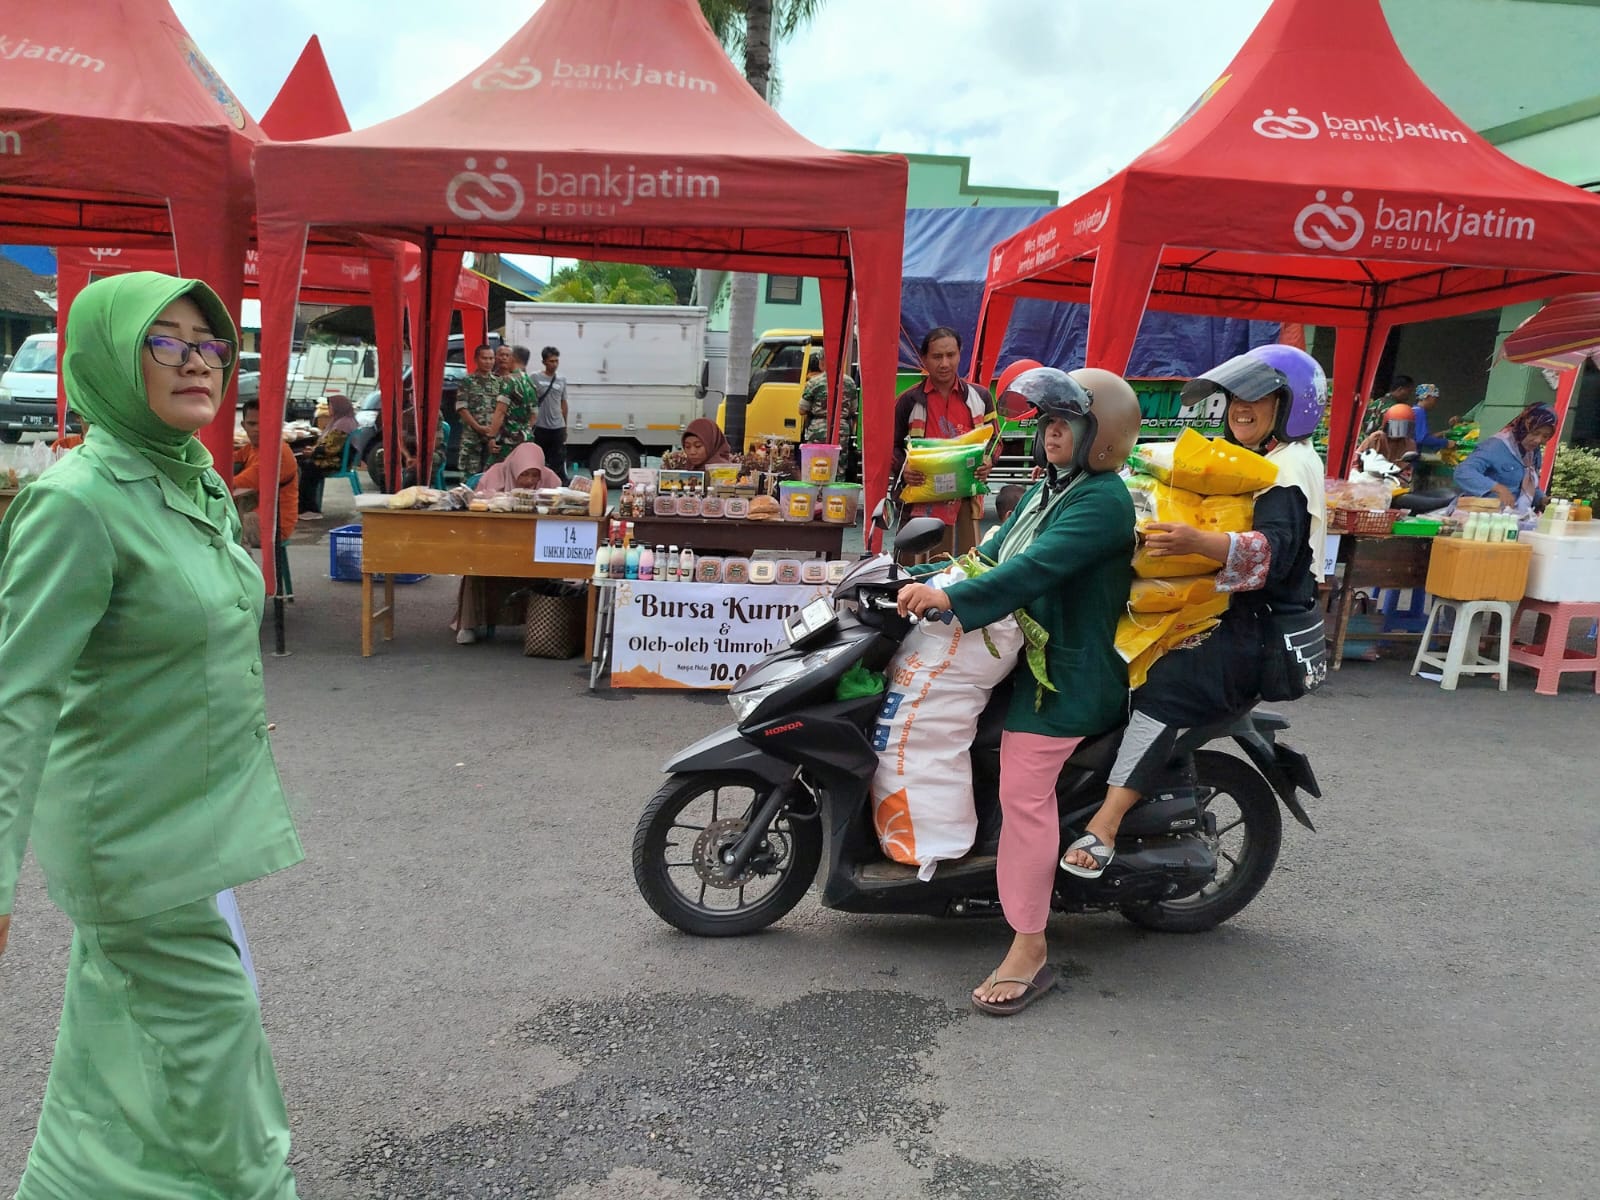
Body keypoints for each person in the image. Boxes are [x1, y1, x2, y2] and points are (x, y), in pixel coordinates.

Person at [0, 271, 303, 1196]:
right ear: (107, 357)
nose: (194, 361)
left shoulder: (189, 474)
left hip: (193, 823)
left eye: (209, 343)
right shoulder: (76, 503)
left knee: (113, 1073)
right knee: (225, 1087)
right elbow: (18, 698)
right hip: (134, 846)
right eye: (161, 340)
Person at [896, 367, 1140, 1016]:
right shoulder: (1047, 489)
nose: (1051, 431)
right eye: (1048, 421)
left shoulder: (1102, 502)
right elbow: (994, 554)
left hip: (1067, 674)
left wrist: (949, 599)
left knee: (1022, 791)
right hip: (1028, 656)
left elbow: (1032, 571)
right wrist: (915, 576)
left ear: (1102, 435)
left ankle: (1028, 947)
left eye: (1066, 421)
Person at [1064, 345, 1326, 880]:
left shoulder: (1290, 468)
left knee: (1166, 687)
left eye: (1257, 397)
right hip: (1224, 614)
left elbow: (1273, 557)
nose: (1240, 408)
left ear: (1292, 403)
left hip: (1254, 633)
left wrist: (1195, 541)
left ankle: (1106, 824)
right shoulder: (1252, 464)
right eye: (1233, 399)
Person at [891, 326, 996, 559]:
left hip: (966, 501)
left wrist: (988, 461)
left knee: (962, 566)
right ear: (924, 359)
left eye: (951, 355)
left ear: (960, 354)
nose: (945, 363)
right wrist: (903, 468)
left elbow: (994, 441)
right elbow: (891, 445)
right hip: (919, 500)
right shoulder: (908, 401)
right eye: (937, 357)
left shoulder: (981, 397)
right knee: (913, 568)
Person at [452, 441, 562, 645]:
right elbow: (477, 507)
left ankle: (548, 623)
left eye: (534, 475)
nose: (530, 481)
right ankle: (469, 624)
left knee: (552, 566)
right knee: (475, 569)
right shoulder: (495, 474)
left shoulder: (550, 479)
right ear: (514, 469)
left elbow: (562, 508)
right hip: (495, 543)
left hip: (535, 545)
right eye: (524, 474)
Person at [1453, 402, 1558, 512]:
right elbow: (1463, 472)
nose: (1538, 440)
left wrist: (1541, 499)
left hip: (1514, 517)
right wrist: (1498, 488)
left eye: (1545, 436)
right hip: (1480, 515)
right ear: (1524, 427)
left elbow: (1525, 487)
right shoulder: (1496, 446)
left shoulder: (1532, 453)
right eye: (1535, 433)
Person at [233, 397, 300, 549]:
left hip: (274, 525)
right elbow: (231, 458)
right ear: (244, 426)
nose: (257, 428)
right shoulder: (252, 448)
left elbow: (235, 483)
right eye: (252, 424)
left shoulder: (277, 452)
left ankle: (243, 572)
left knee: (221, 529)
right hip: (256, 513)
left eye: (263, 422)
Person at [298, 392, 358, 517]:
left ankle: (309, 509)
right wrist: (314, 449)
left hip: (336, 461)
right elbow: (329, 444)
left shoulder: (343, 424)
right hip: (339, 459)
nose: (329, 409)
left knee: (307, 467)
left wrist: (313, 452)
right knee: (305, 464)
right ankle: (305, 506)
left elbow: (331, 448)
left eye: (331, 406)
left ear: (338, 407)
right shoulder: (343, 421)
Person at [486, 345, 539, 467]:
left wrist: (492, 437)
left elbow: (500, 412)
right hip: (525, 439)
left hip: (507, 441)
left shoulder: (509, 381)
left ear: (513, 358)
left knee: (493, 474)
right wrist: (523, 430)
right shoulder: (531, 383)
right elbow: (534, 414)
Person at [455, 342, 501, 475]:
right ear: (476, 359)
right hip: (472, 436)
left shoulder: (499, 382)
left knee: (491, 476)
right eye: (484, 358)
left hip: (492, 437)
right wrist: (478, 427)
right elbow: (462, 408)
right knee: (470, 476)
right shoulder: (467, 382)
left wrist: (493, 430)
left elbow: (501, 409)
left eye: (491, 358)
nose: (488, 362)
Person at [798, 351, 858, 446]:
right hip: (841, 431)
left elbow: (802, 410)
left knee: (817, 459)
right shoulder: (850, 382)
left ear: (822, 362)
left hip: (817, 431)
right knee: (838, 459)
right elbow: (853, 409)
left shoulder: (813, 382)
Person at [531, 344, 570, 483]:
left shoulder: (561, 380)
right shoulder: (535, 377)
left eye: (556, 361)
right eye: (551, 361)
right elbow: (530, 401)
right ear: (544, 362)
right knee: (539, 460)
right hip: (541, 427)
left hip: (557, 427)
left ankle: (557, 488)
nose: (554, 364)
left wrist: (565, 426)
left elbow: (563, 403)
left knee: (558, 462)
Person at [1355, 402, 1417, 484]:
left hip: (1393, 484)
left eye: (1402, 428)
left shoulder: (1409, 445)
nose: (1397, 432)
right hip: (1368, 482)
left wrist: (1400, 480)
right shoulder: (1376, 438)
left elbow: (1407, 472)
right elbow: (1356, 460)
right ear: (1386, 425)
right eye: (1395, 427)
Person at [1411, 383, 1448, 452]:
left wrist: (1441, 433)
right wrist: (1446, 443)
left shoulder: (1413, 410)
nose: (1435, 403)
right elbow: (1422, 439)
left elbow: (1417, 436)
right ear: (1428, 397)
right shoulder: (1419, 412)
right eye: (1435, 399)